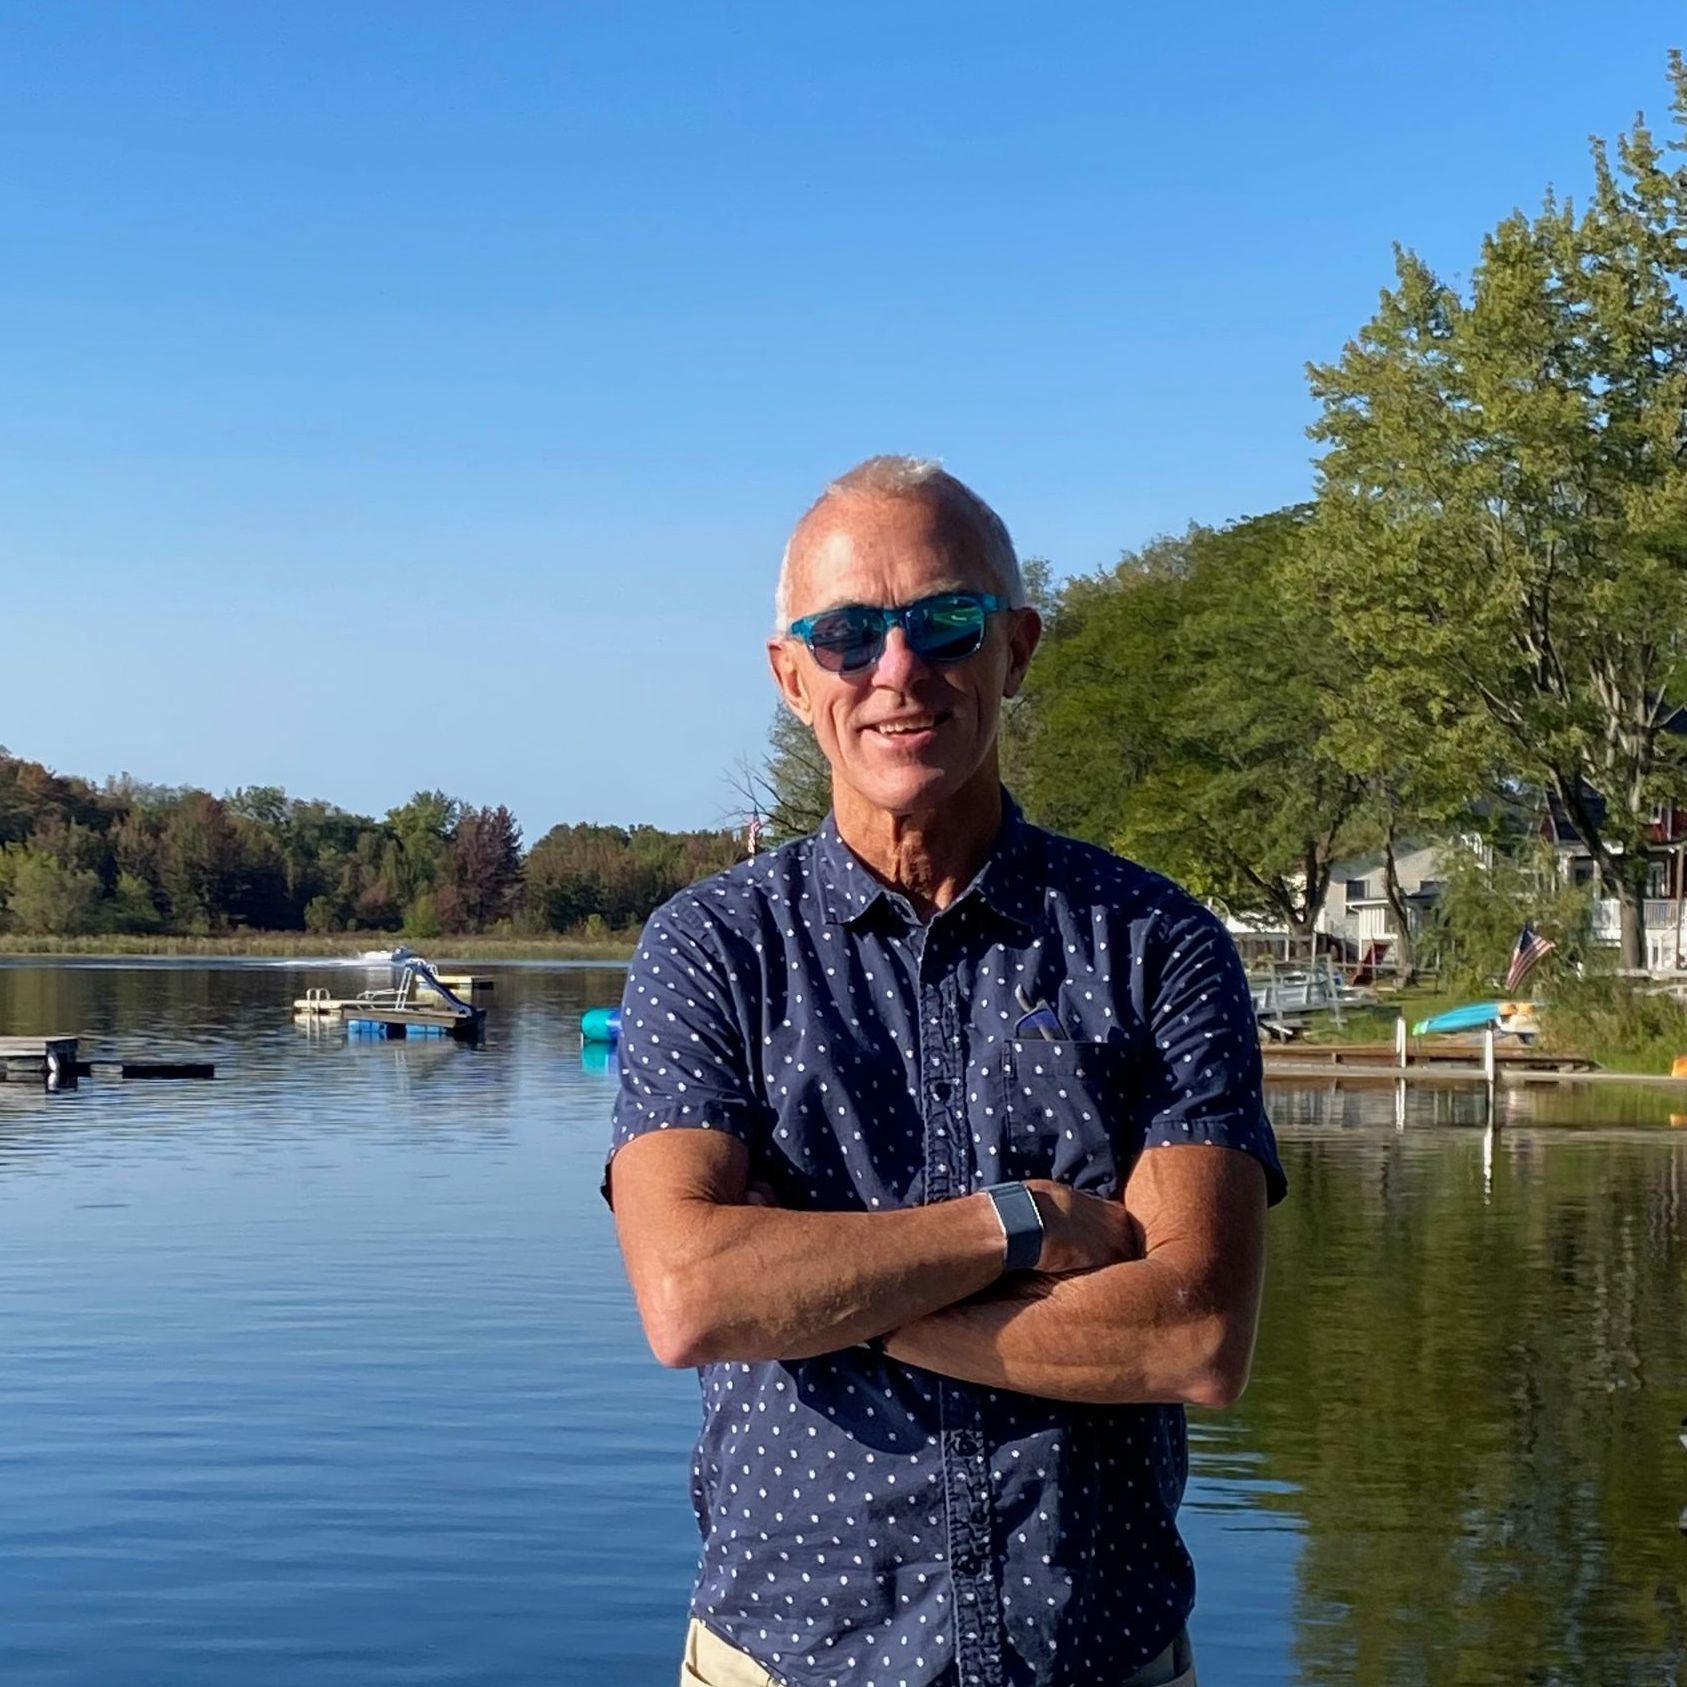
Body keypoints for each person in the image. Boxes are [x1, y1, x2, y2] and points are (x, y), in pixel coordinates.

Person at [606, 455, 1286, 1687]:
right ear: (791, 673)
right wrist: (1017, 1226)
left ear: (1014, 649)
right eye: (849, 634)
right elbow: (693, 1296)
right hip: (790, 1662)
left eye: (944, 624)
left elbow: (1193, 1333)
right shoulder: (708, 950)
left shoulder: (1156, 946)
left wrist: (832, 1305)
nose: (896, 672)